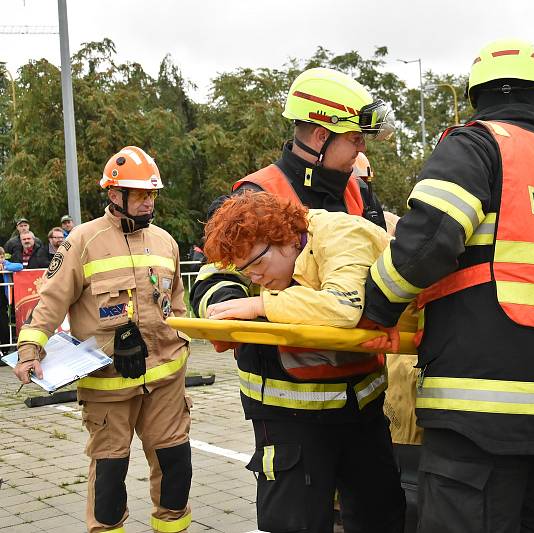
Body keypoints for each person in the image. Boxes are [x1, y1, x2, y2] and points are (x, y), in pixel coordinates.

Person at [360, 38, 534, 533]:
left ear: (476, 97)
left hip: (479, 405)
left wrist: (377, 309)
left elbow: (428, 241)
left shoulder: (478, 144)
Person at [189, 66, 402, 532]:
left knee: (381, 516)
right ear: (321, 135)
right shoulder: (254, 194)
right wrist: (239, 313)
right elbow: (211, 278)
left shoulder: (357, 191)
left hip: (361, 400)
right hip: (288, 407)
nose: (361, 148)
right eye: (355, 138)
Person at [199, 191, 405, 533]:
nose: (255, 279)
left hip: (360, 415)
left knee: (378, 516)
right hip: (289, 421)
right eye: (244, 271)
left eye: (257, 264)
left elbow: (342, 307)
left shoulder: (341, 234)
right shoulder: (287, 248)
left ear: (285, 238)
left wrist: (259, 307)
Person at [12, 146, 193, 533]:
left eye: (152, 194)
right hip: (109, 386)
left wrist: (185, 336)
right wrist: (29, 350)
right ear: (115, 195)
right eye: (141, 194)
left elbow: (176, 302)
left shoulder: (166, 242)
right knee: (111, 476)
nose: (148, 202)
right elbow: (50, 301)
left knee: (176, 465)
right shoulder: (81, 241)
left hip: (165, 380)